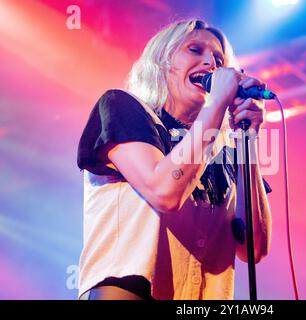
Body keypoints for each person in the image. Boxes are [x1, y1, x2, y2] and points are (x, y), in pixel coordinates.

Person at [76, 19, 272, 300]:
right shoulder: (122, 107)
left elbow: (253, 249)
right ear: (162, 61)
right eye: (195, 50)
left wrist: (247, 140)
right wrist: (217, 103)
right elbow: (164, 192)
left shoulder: (223, 150)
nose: (211, 64)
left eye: (219, 59)